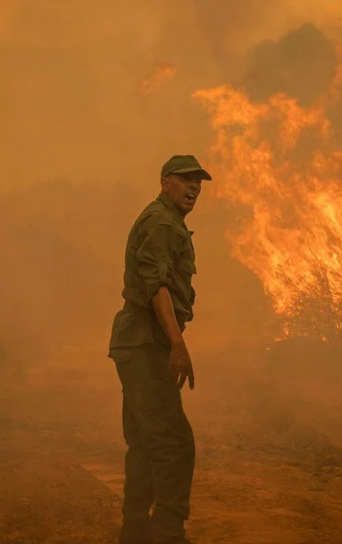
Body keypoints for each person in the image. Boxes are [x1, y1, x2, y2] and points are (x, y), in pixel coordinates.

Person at [108, 154, 212, 544]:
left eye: (198, 182)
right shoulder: (162, 223)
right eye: (185, 180)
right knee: (173, 443)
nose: (194, 188)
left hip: (136, 342)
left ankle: (134, 530)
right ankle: (168, 533)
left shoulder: (167, 222)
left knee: (145, 441)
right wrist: (177, 343)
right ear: (165, 182)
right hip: (147, 342)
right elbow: (157, 287)